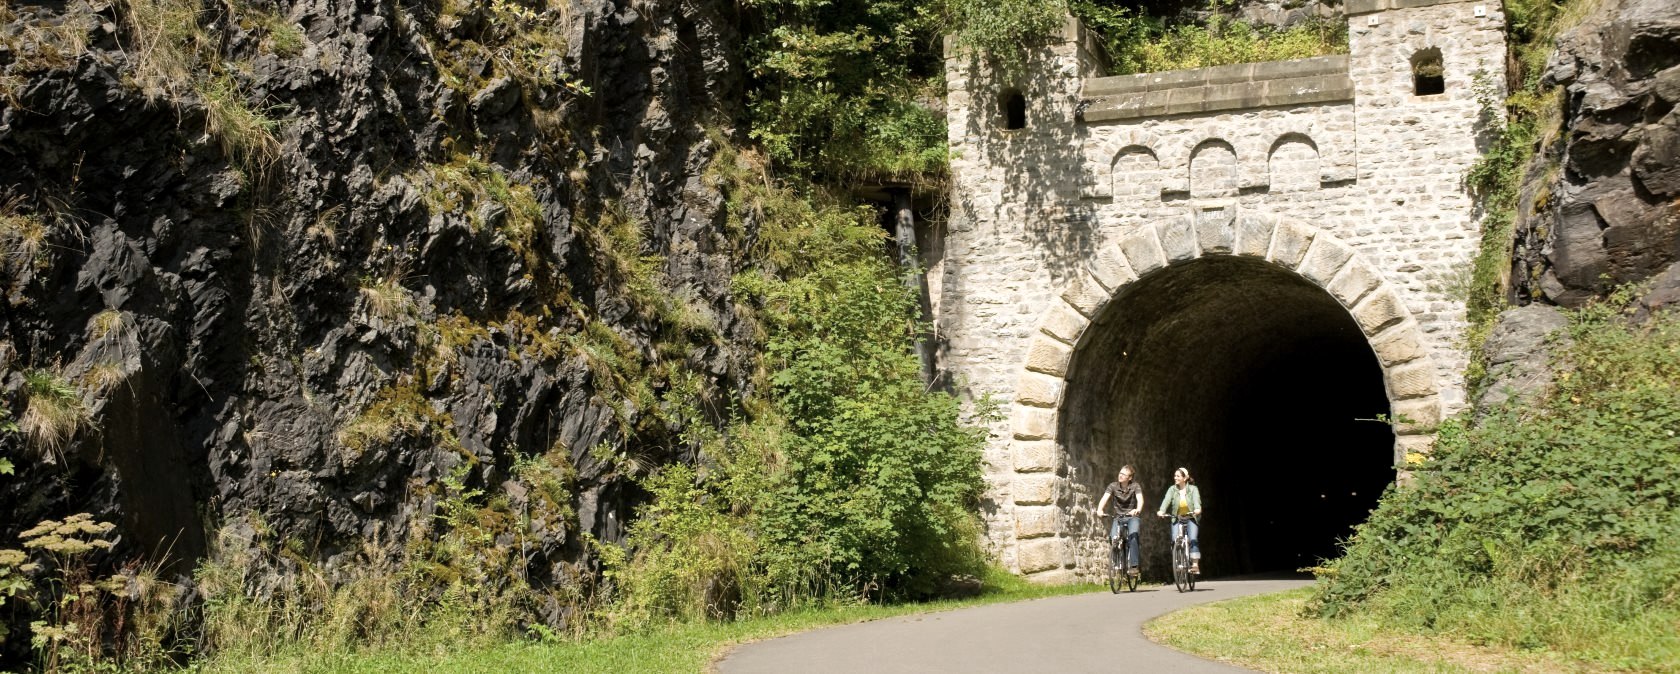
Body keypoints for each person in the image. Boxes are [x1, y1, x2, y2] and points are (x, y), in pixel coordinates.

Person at [1095, 465, 1143, 575]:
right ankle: (1117, 561)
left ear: (1129, 478)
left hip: (1132, 517)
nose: (1120, 475)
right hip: (1119, 517)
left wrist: (1137, 510)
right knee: (1113, 538)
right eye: (1120, 473)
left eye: (1124, 474)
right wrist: (1099, 510)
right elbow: (1104, 498)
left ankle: (1134, 566)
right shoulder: (1113, 486)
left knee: (1133, 536)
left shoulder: (1135, 486)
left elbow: (1140, 500)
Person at [1156, 467, 1203, 574]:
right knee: (1174, 539)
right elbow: (1166, 500)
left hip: (1191, 517)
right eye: (1175, 476)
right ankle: (1179, 560)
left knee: (1193, 539)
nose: (1175, 478)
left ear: (1185, 478)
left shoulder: (1193, 489)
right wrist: (1161, 511)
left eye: (1178, 476)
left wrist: (1197, 509)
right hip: (1177, 518)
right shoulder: (1172, 489)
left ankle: (1195, 565)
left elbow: (1196, 501)